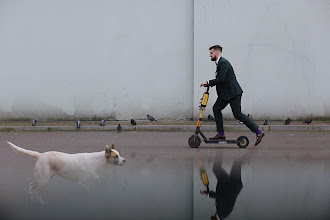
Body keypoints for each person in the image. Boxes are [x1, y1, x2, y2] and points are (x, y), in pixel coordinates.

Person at [200, 45, 265, 146]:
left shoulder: (223, 63)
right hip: (226, 94)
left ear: (217, 53)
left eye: (211, 53)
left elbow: (222, 78)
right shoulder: (220, 63)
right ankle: (221, 133)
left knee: (238, 114)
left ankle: (259, 132)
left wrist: (208, 82)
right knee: (216, 108)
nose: (210, 55)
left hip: (233, 93)